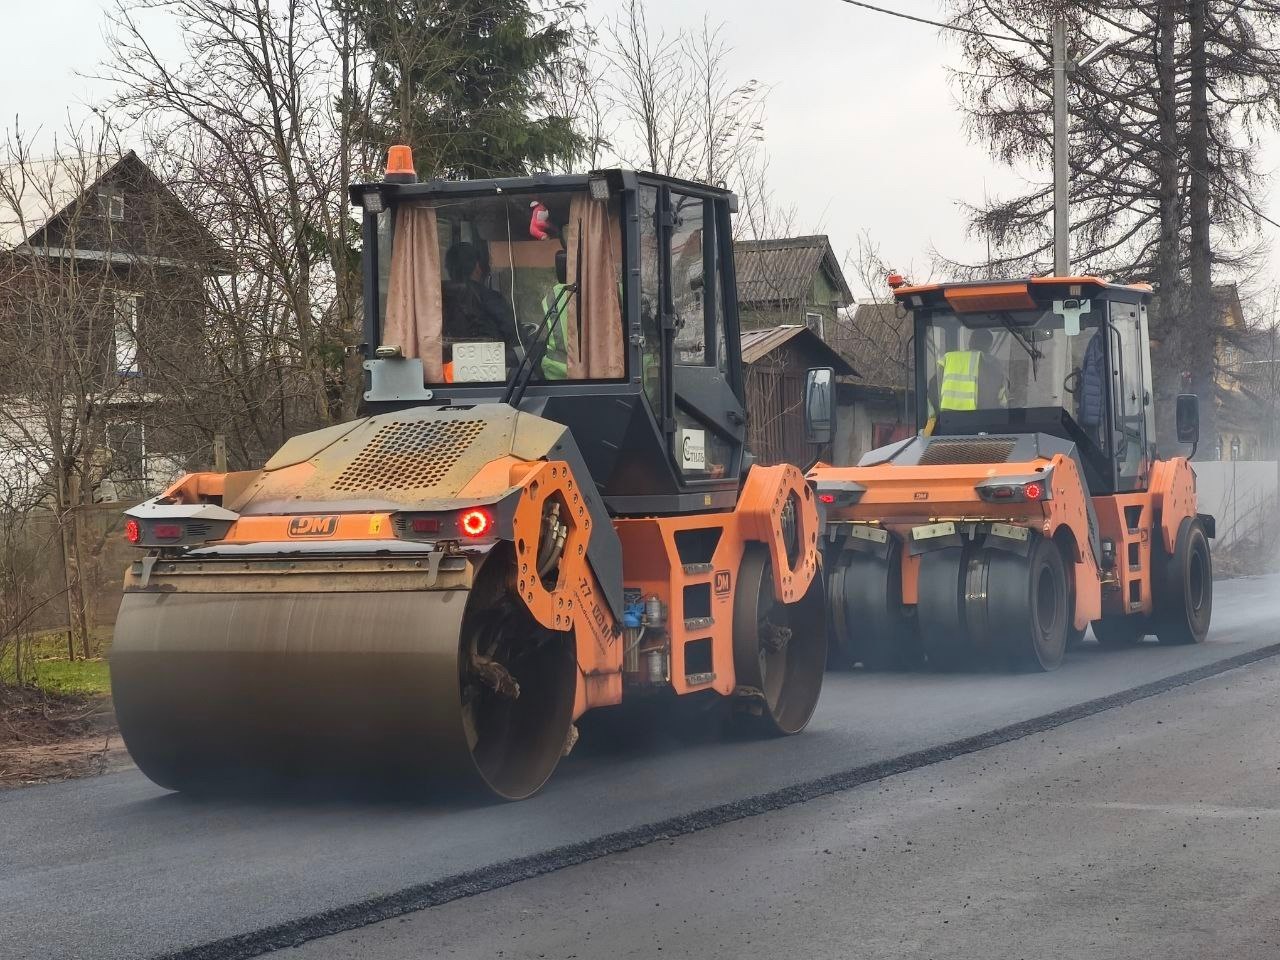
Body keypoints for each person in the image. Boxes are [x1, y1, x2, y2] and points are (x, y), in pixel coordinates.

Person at [442, 241, 517, 351]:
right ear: (477, 266)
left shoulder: (438, 296)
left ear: (448, 268)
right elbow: (512, 333)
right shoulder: (490, 298)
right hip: (488, 363)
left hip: (447, 362)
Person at [938, 327, 1008, 411]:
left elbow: (933, 391)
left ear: (970, 342)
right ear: (989, 345)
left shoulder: (948, 359)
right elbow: (1003, 399)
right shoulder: (994, 364)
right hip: (984, 419)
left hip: (948, 420)